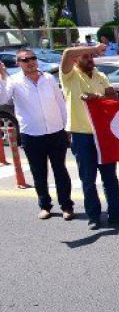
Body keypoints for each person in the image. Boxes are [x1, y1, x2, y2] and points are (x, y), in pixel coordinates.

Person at [59, 44, 119, 229]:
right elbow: (67, 53)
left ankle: (116, 214)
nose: (90, 59)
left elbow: (112, 97)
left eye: (91, 56)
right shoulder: (69, 76)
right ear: (76, 60)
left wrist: (96, 97)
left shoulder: (100, 75)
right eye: (85, 56)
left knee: (110, 176)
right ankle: (94, 216)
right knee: (88, 178)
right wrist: (94, 47)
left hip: (102, 134)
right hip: (81, 135)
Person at [0, 50, 73, 220]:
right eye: (25, 60)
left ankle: (67, 206)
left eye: (33, 58)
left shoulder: (48, 78)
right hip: (32, 134)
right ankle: (45, 206)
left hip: (55, 131)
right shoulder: (13, 81)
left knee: (60, 171)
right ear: (19, 63)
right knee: (39, 173)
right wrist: (2, 74)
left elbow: (60, 102)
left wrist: (66, 126)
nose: (31, 62)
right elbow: (3, 98)